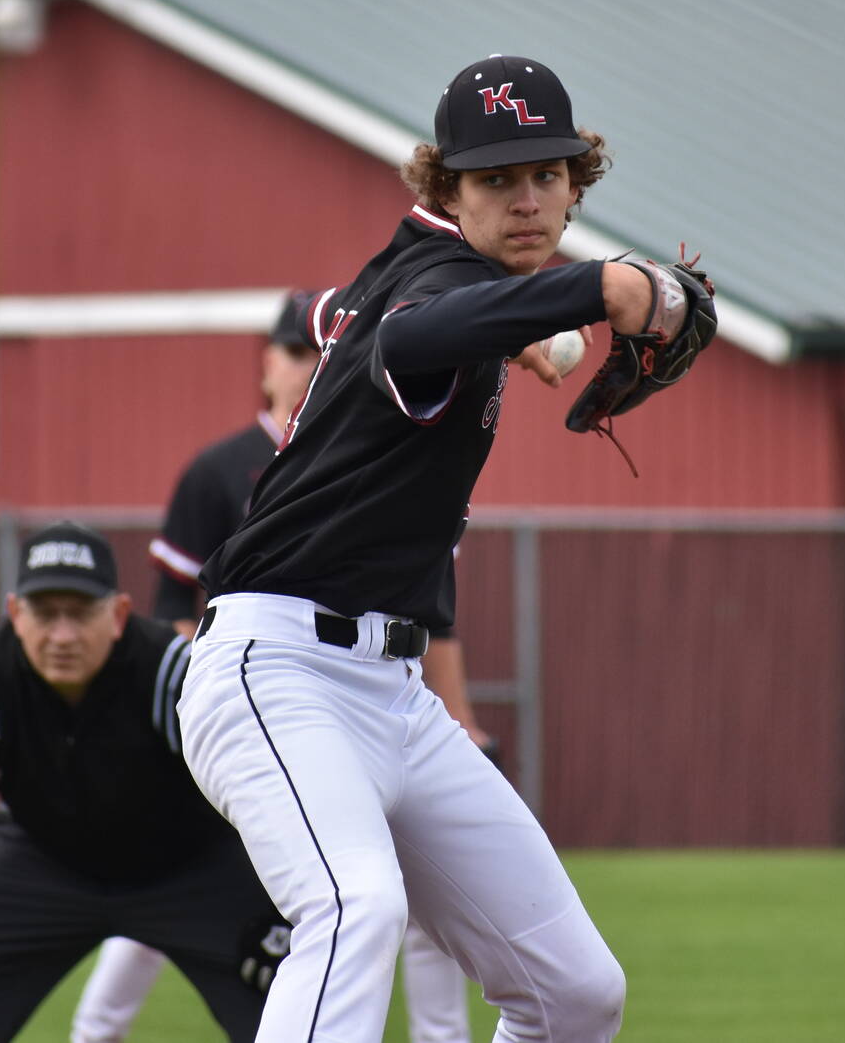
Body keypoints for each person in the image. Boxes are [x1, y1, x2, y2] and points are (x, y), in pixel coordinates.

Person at [178, 52, 702, 1042]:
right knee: (353, 909)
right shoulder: (431, 284)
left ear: (574, 183)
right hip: (274, 669)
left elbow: (364, 313)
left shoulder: (425, 274)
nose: (526, 199)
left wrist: (523, 325)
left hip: (395, 698)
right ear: (444, 187)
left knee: (573, 993)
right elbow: (412, 337)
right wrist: (606, 287)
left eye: (546, 175)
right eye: (495, 179)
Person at [71, 292, 488, 1043]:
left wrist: (460, 719)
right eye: (295, 350)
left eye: (319, 351)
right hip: (255, 700)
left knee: (415, 902)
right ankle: (95, 1031)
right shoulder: (221, 468)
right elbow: (176, 610)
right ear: (265, 365)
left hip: (375, 700)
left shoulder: (390, 456)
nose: (308, 365)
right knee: (169, 886)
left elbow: (434, 616)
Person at [0, 520, 289, 1043]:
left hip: (192, 868)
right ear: (15, 614)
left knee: (297, 986)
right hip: (42, 858)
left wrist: (279, 912)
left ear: (118, 615)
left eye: (81, 613)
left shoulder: (173, 673)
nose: (62, 635)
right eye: (44, 613)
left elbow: (269, 787)